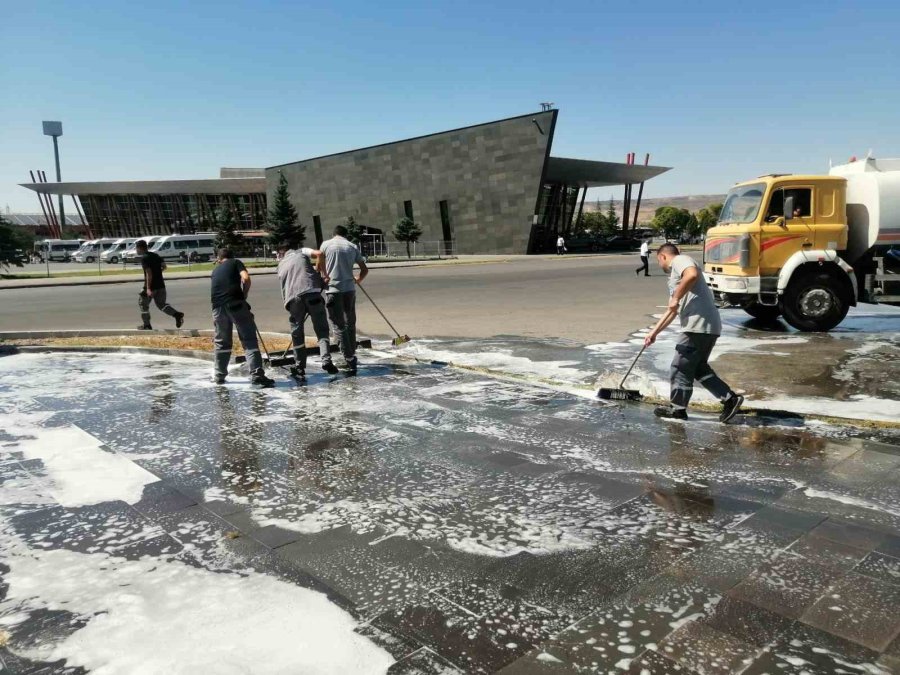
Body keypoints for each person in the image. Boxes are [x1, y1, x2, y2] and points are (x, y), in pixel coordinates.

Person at [643, 243, 744, 422]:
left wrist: (675, 298)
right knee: (697, 368)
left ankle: (678, 409)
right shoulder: (676, 281)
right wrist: (654, 332)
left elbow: (692, 274)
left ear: (662, 257)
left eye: (658, 261)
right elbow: (672, 310)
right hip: (708, 326)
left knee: (680, 366)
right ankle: (729, 399)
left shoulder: (680, 260)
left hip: (697, 325)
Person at [210, 248, 274, 388]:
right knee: (249, 339)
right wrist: (244, 296)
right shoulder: (236, 262)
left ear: (219, 259)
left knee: (222, 341)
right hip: (235, 304)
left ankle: (219, 375)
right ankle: (257, 375)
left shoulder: (215, 270)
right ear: (231, 256)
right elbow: (246, 278)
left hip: (217, 308)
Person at [276, 240, 339, 380]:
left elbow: (284, 287)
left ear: (281, 253)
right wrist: (322, 273)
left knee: (297, 335)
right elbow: (319, 254)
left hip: (294, 299)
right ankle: (326, 361)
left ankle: (299, 367)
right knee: (322, 330)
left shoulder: (280, 264)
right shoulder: (301, 252)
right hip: (313, 294)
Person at [317, 225, 368, 374]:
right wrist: (357, 280)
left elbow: (318, 266)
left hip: (333, 289)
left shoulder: (325, 245)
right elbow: (364, 269)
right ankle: (351, 352)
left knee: (338, 324)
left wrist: (323, 276)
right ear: (346, 235)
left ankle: (350, 357)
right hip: (349, 290)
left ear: (333, 234)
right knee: (350, 323)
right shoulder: (352, 246)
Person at [136, 240, 184, 330]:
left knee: (143, 304)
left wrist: (148, 288)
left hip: (151, 286)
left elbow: (149, 274)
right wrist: (157, 273)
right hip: (161, 285)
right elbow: (164, 266)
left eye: (136, 248)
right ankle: (177, 314)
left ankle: (147, 325)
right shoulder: (156, 255)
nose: (136, 250)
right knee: (161, 305)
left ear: (140, 248)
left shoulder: (144, 258)